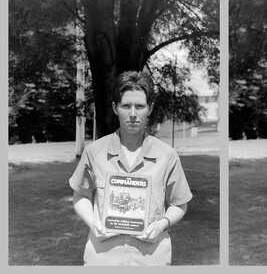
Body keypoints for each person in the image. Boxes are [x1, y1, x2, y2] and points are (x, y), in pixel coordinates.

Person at [69, 71, 192, 266]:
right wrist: (93, 223)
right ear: (115, 108)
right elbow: (80, 196)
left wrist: (162, 224)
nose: (133, 114)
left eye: (140, 106)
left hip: (151, 259)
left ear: (150, 108)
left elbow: (179, 204)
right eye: (126, 106)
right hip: (102, 258)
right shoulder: (94, 152)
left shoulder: (167, 156)